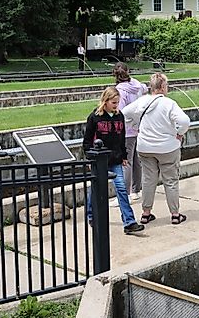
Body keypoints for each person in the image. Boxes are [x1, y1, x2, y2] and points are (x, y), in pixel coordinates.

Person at [123, 72, 191, 225]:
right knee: (171, 181)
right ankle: (174, 213)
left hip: (145, 147)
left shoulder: (142, 101)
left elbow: (124, 114)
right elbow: (184, 121)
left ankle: (146, 213)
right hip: (167, 147)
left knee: (148, 180)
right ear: (162, 87)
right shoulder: (169, 103)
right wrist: (179, 133)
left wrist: (135, 127)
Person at [82, 87, 144, 234]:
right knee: (96, 189)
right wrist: (90, 159)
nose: (116, 105)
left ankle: (129, 222)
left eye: (117, 102)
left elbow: (121, 139)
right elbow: (87, 141)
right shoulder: (94, 117)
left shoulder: (119, 116)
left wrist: (123, 156)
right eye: (113, 102)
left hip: (115, 159)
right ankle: (91, 214)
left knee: (122, 189)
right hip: (99, 160)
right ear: (106, 101)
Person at [114, 62, 147, 202]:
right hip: (138, 127)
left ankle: (125, 193)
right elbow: (145, 89)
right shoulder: (136, 85)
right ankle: (136, 189)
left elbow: (119, 112)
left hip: (126, 130)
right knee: (136, 160)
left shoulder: (120, 90)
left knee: (126, 162)